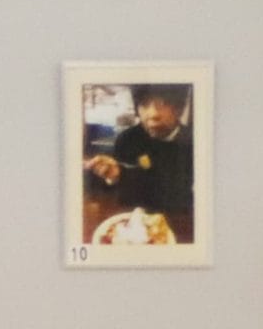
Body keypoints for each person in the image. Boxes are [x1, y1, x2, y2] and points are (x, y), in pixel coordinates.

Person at [82, 85, 194, 241]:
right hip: (127, 226)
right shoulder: (127, 139)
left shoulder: (194, 143)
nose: (153, 114)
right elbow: (113, 190)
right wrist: (108, 175)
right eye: (145, 104)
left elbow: (179, 194)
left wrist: (125, 175)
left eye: (164, 104)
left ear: (179, 109)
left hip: (176, 228)